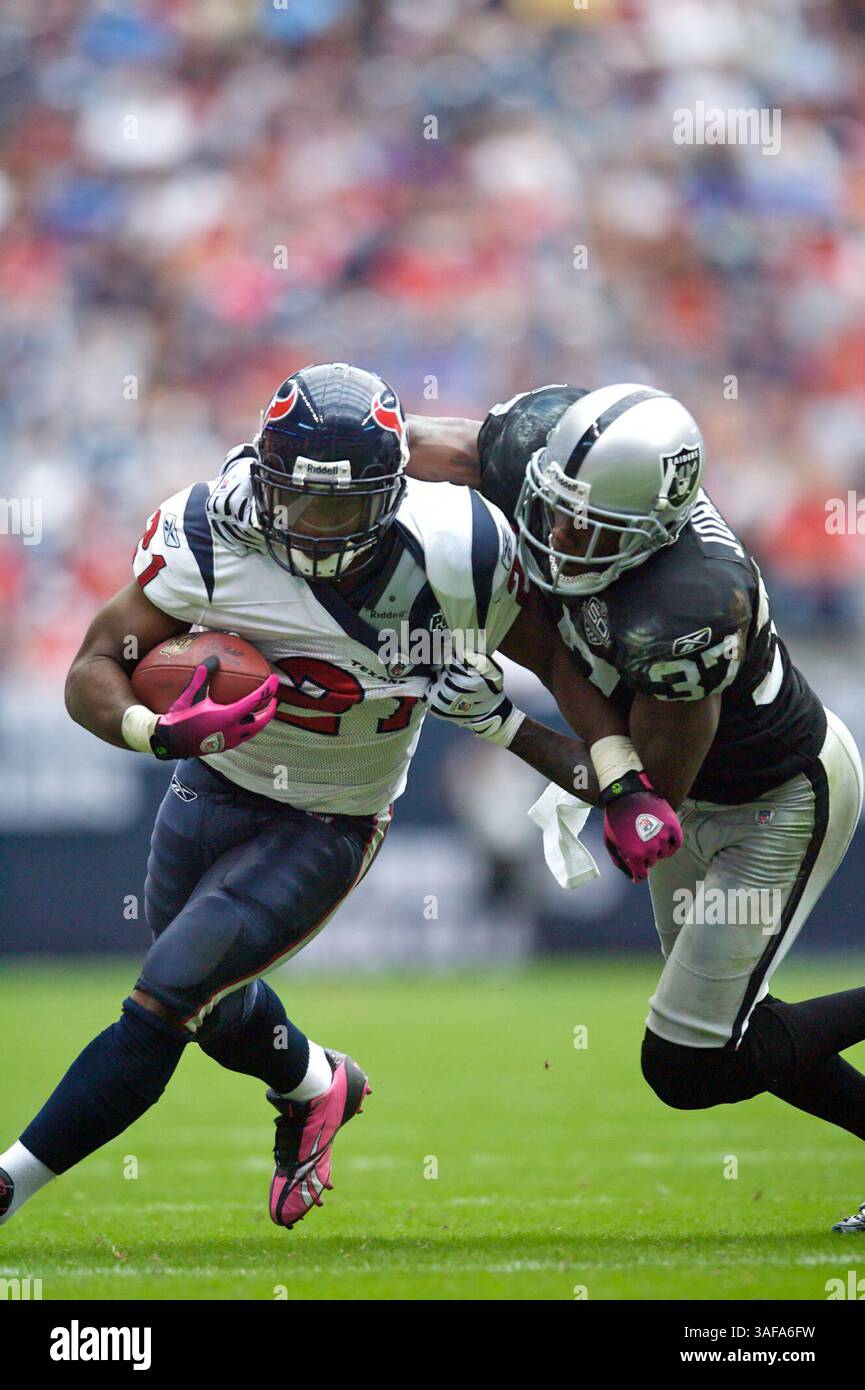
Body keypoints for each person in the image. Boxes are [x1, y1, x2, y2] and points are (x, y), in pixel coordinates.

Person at [0, 365, 681, 1234]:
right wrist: (157, 732)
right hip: (207, 782)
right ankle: (319, 1084)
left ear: (394, 492)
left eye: (346, 508)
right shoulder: (206, 532)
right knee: (210, 1008)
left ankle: (9, 1183)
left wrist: (617, 780)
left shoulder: (453, 551)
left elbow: (553, 663)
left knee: (167, 995)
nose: (320, 530)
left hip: (331, 815)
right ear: (264, 477)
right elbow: (92, 665)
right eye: (302, 504)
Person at [408, 382, 865, 1235]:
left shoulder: (687, 606)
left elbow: (643, 794)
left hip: (770, 802)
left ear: (653, 529)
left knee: (688, 1065)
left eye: (589, 531)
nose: (557, 536)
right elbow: (440, 444)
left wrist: (499, 724)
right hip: (704, 795)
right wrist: (333, 457)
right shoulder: (550, 450)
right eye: (554, 511)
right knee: (728, 1026)